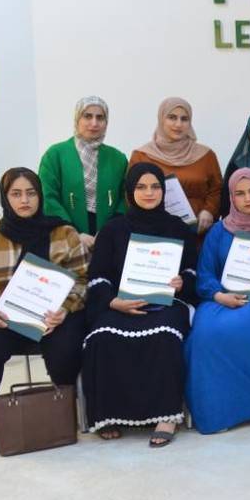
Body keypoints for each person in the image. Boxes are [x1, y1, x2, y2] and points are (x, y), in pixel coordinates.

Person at [0, 168, 90, 454]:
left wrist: (66, 309)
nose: (24, 200)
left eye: (31, 193)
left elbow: (83, 279)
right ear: (5, 198)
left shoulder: (64, 234)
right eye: (16, 194)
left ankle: (63, 409)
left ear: (40, 196)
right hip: (4, 320)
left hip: (53, 319)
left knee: (67, 345)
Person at [81, 162, 199, 447]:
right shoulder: (113, 229)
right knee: (102, 338)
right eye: (141, 187)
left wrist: (182, 281)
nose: (149, 193)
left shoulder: (178, 228)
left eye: (155, 187)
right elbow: (98, 275)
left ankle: (166, 416)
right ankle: (110, 414)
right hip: (120, 305)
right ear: (129, 191)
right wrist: (113, 302)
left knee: (165, 337)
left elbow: (192, 270)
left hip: (165, 305)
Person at [185, 169, 250, 434]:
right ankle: (216, 411)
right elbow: (205, 273)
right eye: (240, 194)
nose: (248, 198)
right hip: (221, 298)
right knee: (204, 334)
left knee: (248, 328)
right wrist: (219, 295)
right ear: (232, 198)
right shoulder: (219, 230)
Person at [38, 96, 128, 248]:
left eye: (100, 117)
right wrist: (73, 232)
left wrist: (109, 230)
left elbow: (125, 198)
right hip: (65, 236)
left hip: (108, 237)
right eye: (87, 116)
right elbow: (47, 196)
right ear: (77, 119)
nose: (94, 123)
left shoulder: (118, 158)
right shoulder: (55, 155)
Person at [129, 97, 223, 235]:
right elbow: (130, 193)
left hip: (198, 230)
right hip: (153, 231)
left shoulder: (206, 155)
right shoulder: (142, 155)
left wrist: (209, 211)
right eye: (172, 117)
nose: (178, 124)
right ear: (161, 119)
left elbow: (217, 189)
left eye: (184, 119)